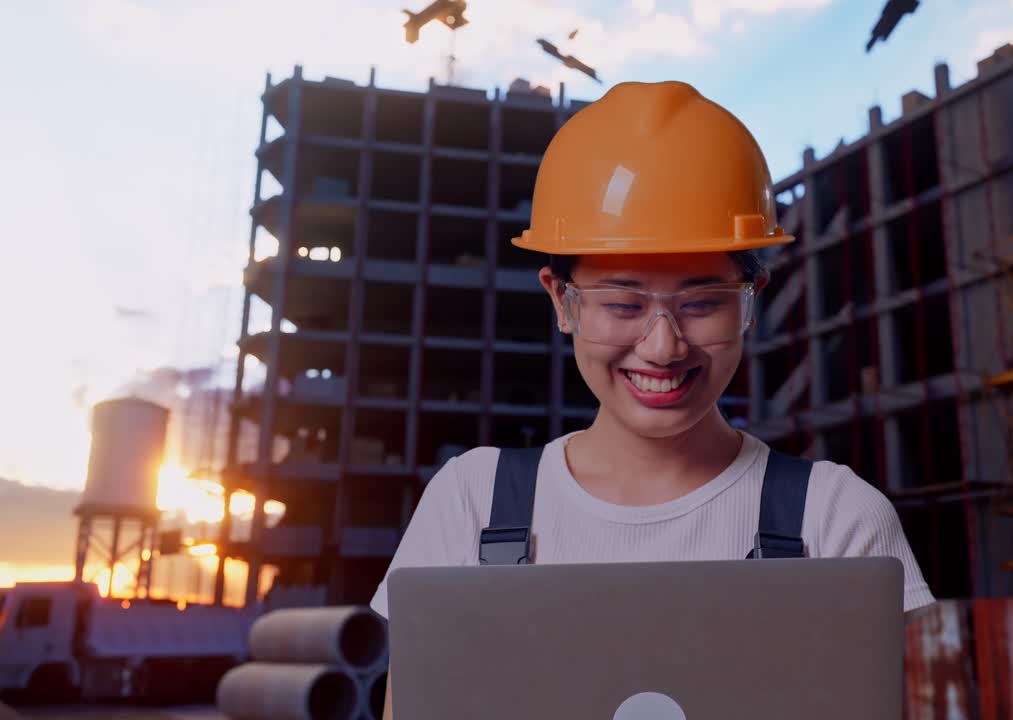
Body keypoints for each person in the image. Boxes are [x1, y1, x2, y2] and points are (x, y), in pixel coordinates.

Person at [369, 80, 935, 719]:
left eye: (702, 303)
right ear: (561, 300)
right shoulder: (471, 504)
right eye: (622, 304)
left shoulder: (835, 521)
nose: (663, 347)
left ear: (752, 299)